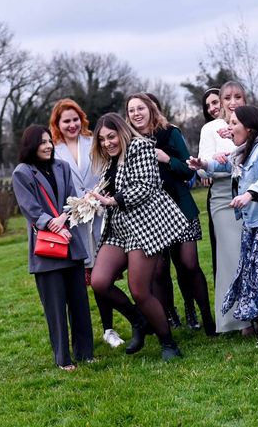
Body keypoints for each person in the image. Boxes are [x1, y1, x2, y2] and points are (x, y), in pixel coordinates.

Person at [188, 106, 258, 347]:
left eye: (233, 124)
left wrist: (250, 194)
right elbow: (226, 164)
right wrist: (203, 163)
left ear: (248, 127)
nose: (229, 129)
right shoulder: (246, 148)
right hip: (257, 221)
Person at [89, 113, 189, 361]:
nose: (107, 143)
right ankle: (139, 319)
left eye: (111, 136)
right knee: (100, 281)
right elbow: (108, 188)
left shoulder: (141, 147)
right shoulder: (109, 159)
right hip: (119, 228)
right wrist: (91, 200)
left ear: (122, 132)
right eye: (102, 139)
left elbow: (147, 185)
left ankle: (169, 344)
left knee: (139, 289)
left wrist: (114, 200)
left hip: (144, 226)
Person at [125, 93, 216, 336]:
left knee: (188, 264)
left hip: (179, 206)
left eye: (140, 108)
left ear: (151, 109)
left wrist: (166, 159)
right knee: (159, 270)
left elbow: (189, 171)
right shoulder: (128, 142)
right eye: (131, 110)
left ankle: (206, 318)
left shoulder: (169, 132)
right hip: (150, 214)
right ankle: (167, 319)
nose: (136, 113)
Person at [12, 125, 94, 371]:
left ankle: (85, 353)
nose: (48, 146)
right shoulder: (22, 173)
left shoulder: (63, 167)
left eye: (49, 141)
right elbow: (31, 210)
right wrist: (54, 223)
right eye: (42, 142)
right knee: (56, 309)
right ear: (31, 146)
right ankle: (63, 359)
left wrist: (63, 219)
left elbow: (72, 199)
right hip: (47, 250)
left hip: (71, 244)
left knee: (79, 303)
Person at [49, 98, 124, 349]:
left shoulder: (92, 142)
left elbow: (107, 172)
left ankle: (109, 328)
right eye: (65, 121)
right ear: (57, 124)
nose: (71, 125)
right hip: (73, 221)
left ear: (81, 119)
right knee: (82, 278)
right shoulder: (54, 150)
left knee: (104, 276)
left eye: (74, 119)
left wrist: (97, 198)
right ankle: (80, 333)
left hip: (100, 215)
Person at [197, 81, 251, 334]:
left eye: (237, 96)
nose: (232, 102)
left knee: (254, 256)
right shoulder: (211, 128)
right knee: (231, 258)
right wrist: (208, 164)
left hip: (252, 194)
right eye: (227, 97)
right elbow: (203, 165)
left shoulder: (253, 123)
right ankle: (238, 320)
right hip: (223, 198)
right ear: (220, 102)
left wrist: (232, 158)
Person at [199, 87, 221, 282]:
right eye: (208, 106)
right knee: (220, 248)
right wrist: (205, 170)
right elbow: (201, 164)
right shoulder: (208, 130)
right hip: (218, 194)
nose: (212, 108)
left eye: (215, 102)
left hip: (245, 192)